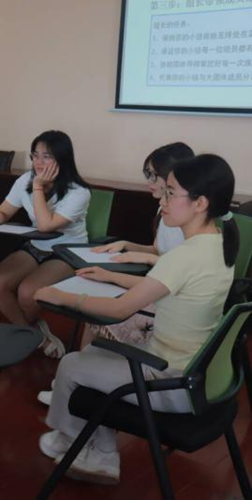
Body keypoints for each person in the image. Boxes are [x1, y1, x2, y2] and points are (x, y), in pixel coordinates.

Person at [33, 154, 237, 484]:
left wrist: (61, 295)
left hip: (170, 381)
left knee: (71, 364)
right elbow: (159, 285)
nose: (163, 200)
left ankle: (75, 442)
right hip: (196, 374)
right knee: (94, 353)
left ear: (200, 203)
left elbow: (119, 310)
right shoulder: (217, 244)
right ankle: (99, 451)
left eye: (171, 193)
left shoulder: (185, 256)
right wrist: (110, 276)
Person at [37, 142, 195, 406]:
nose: (149, 182)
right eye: (147, 174)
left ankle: (76, 381)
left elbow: (176, 270)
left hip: (167, 299)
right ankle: (78, 378)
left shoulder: (187, 219)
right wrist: (127, 245)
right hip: (157, 284)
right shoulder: (164, 210)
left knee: (102, 309)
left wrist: (143, 260)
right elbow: (159, 250)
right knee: (99, 299)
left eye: (153, 176)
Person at [0, 131, 90, 358]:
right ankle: (34, 334)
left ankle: (22, 334)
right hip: (36, 245)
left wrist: (38, 187)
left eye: (46, 157)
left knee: (28, 292)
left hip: (67, 250)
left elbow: (46, 225)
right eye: (35, 156)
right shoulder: (25, 180)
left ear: (62, 159)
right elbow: (4, 211)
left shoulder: (79, 192)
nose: (38, 162)